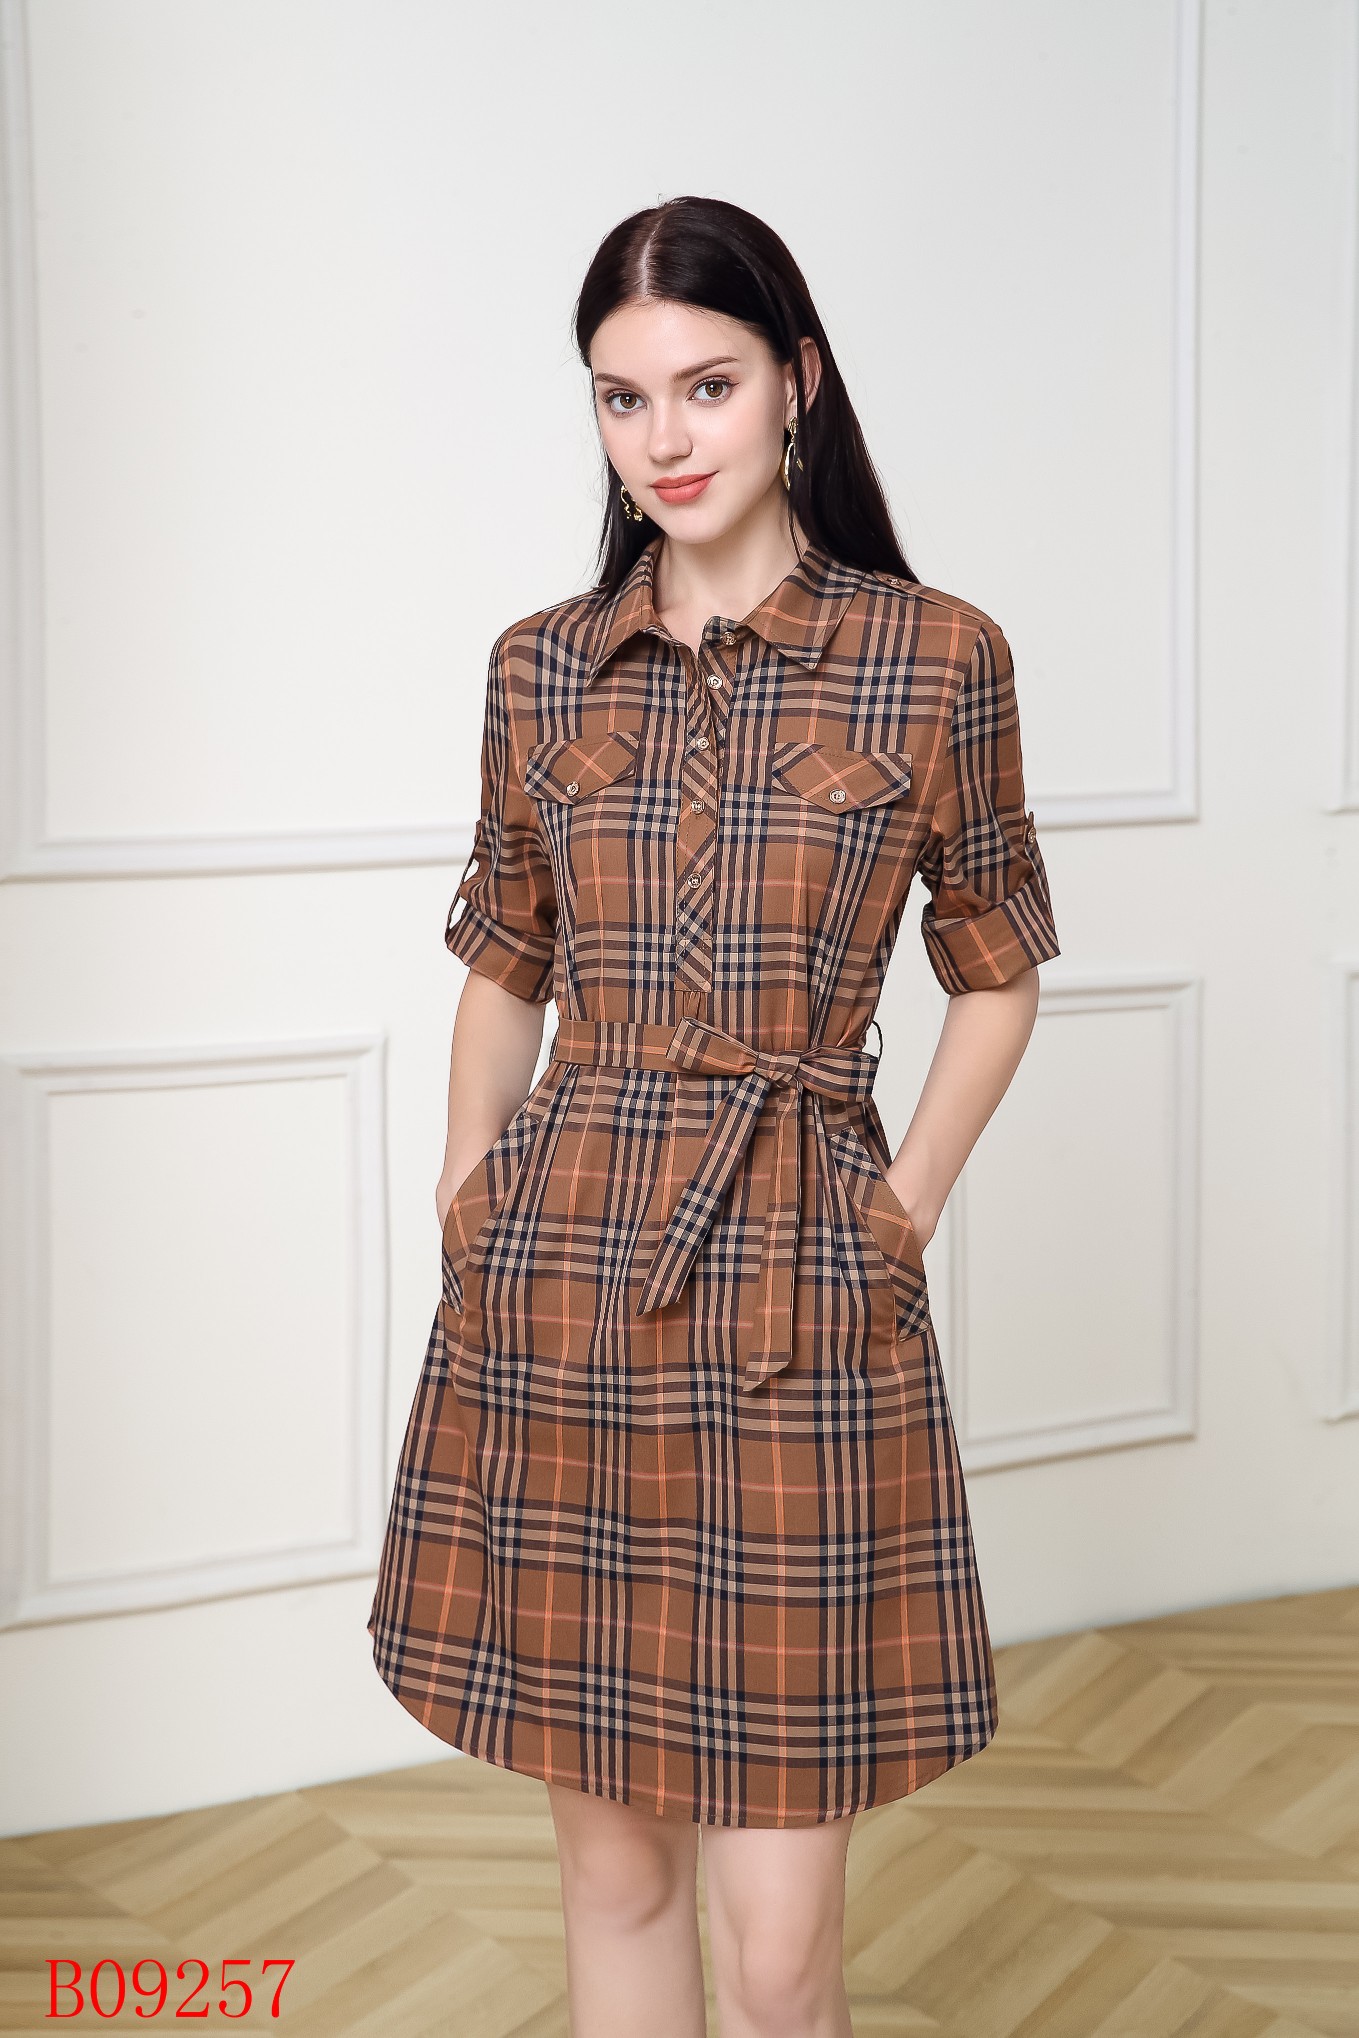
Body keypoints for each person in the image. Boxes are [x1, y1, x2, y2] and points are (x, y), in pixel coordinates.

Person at [368, 194, 1061, 2038]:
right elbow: (505, 959)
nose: (664, 439)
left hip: (796, 1283)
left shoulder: (936, 656)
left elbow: (998, 966)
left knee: (776, 1943)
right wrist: (466, 1184)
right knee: (614, 1877)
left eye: (708, 385)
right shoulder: (538, 665)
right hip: (561, 1285)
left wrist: (902, 1207)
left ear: (797, 382)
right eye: (622, 398)